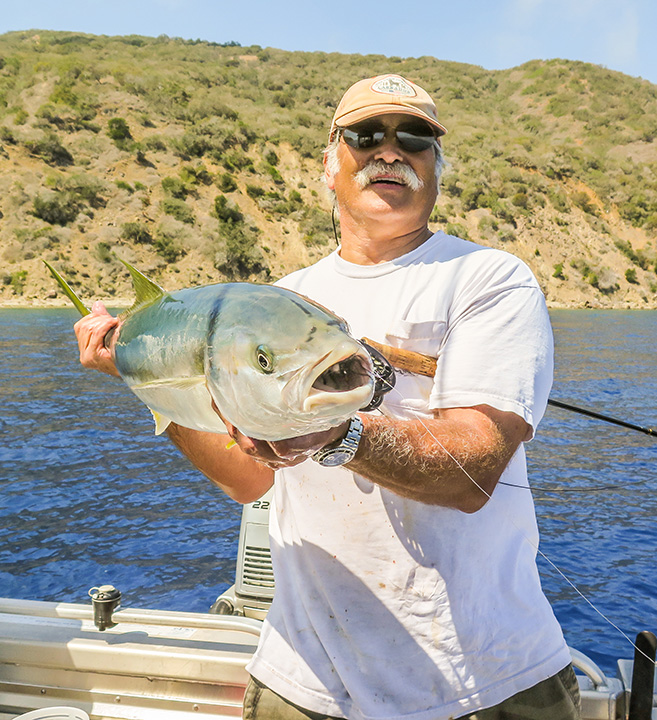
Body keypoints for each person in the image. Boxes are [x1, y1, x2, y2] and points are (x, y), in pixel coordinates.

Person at [75, 74, 581, 720]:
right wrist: (147, 380)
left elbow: (473, 468)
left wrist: (338, 434)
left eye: (414, 138)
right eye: (365, 135)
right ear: (328, 163)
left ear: (436, 166)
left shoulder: (489, 279)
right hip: (304, 681)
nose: (389, 151)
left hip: (483, 684)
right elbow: (249, 479)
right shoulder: (279, 299)